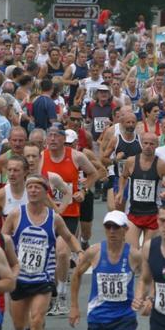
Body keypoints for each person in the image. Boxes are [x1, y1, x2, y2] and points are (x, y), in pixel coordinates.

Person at [1, 174, 79, 330]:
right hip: (19, 278)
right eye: (30, 187)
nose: (33, 190)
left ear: (46, 192)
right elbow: (2, 239)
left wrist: (80, 252)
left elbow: (69, 237)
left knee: (36, 320)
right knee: (19, 323)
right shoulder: (16, 215)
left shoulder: (54, 218)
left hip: (42, 279)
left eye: (37, 187)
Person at [68, 211, 141, 330]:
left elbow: (148, 277)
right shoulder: (94, 252)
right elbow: (76, 274)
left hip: (124, 316)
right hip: (98, 315)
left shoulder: (134, 255)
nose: (112, 231)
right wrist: (74, 306)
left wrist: (145, 297)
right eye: (108, 227)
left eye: (116, 227)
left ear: (125, 229)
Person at [40, 123, 99, 315]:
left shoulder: (75, 156)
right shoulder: (41, 157)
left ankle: (62, 294)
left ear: (64, 139)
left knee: (63, 253)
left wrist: (83, 190)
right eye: (50, 135)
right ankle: (52, 293)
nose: (53, 139)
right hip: (47, 213)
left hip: (69, 213)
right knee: (48, 256)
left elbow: (93, 173)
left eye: (57, 135)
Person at [117, 132, 165, 250]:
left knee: (147, 251)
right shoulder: (131, 161)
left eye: (151, 144)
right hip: (133, 212)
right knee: (132, 251)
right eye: (145, 143)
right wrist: (121, 191)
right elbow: (123, 176)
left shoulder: (161, 165)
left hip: (153, 214)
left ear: (157, 145)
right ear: (141, 143)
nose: (148, 146)